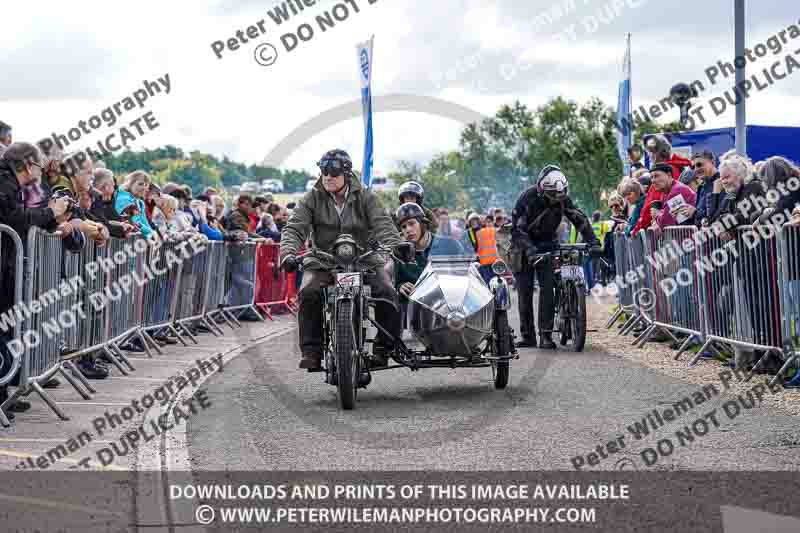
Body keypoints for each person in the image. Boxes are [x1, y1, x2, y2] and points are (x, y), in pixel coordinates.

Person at [280, 149, 405, 371]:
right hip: (323, 261)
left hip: (364, 259)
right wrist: (288, 254)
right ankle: (311, 351)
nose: (327, 176)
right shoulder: (311, 198)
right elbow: (294, 228)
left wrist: (397, 246)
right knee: (308, 293)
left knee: (387, 292)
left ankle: (383, 349)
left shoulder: (366, 197)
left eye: (333, 172)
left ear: (346, 173)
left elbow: (383, 224)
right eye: (323, 171)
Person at [511, 165, 601, 349]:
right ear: (541, 188)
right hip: (523, 247)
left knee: (547, 288)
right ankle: (528, 336)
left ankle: (546, 336)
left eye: (558, 197)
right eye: (551, 196)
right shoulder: (526, 198)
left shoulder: (562, 198)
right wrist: (531, 251)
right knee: (525, 292)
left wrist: (594, 242)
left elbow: (579, 219)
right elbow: (518, 230)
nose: (555, 200)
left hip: (547, 243)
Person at [394, 202, 464, 305]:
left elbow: (465, 277)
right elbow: (396, 281)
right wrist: (401, 286)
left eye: (412, 223)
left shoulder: (451, 245)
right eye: (403, 227)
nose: (408, 230)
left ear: (423, 224)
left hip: (449, 307)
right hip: (414, 312)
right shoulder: (399, 254)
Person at [649, 163, 697, 232]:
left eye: (656, 176)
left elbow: (665, 223)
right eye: (651, 177)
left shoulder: (677, 190)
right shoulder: (665, 193)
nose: (653, 180)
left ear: (669, 175)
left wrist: (656, 215)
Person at [115, 171, 155, 239]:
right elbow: (135, 223)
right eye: (140, 184)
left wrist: (152, 234)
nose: (144, 188)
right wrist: (151, 233)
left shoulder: (140, 202)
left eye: (146, 185)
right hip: (121, 240)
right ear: (130, 183)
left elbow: (144, 222)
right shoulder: (124, 199)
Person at [475, 214, 500, 284]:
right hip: (485, 263)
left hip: (496, 262)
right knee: (488, 283)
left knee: (496, 283)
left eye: (490, 222)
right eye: (487, 222)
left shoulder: (497, 231)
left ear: (493, 222)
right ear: (485, 223)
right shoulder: (480, 232)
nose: (488, 224)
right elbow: (477, 247)